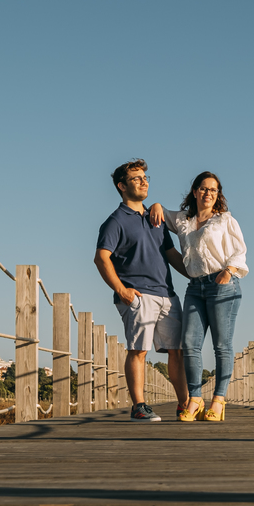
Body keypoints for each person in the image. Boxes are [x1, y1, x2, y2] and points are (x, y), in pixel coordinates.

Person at [94, 159, 191, 422]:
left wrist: (197, 275)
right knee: (139, 350)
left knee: (177, 351)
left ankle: (184, 405)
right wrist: (122, 290)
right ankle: (139, 406)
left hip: (167, 294)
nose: (143, 181)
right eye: (136, 178)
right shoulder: (115, 221)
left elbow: (171, 254)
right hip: (138, 295)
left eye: (145, 177)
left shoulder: (155, 218)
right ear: (122, 186)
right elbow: (101, 258)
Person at [149, 171, 246, 422]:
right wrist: (156, 204)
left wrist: (228, 272)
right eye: (203, 188)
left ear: (218, 194)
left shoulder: (225, 220)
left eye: (213, 190)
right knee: (190, 344)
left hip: (222, 285)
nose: (208, 193)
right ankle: (195, 399)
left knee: (221, 345)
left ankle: (219, 400)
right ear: (194, 191)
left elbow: (239, 251)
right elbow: (162, 213)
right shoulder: (183, 219)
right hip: (194, 287)